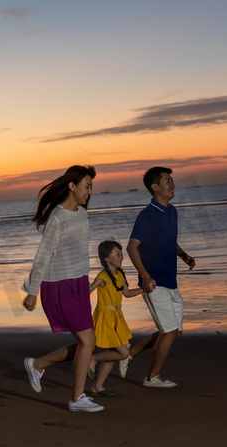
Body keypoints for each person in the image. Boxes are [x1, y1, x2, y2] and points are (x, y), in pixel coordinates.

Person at [21, 165, 103, 413]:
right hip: (59, 285)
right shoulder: (57, 217)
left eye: (91, 187)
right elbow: (43, 255)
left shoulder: (81, 214)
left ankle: (38, 364)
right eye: (86, 186)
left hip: (77, 283)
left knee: (85, 343)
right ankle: (77, 398)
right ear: (72, 185)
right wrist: (33, 290)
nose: (89, 191)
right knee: (88, 341)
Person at [126, 166, 196, 388]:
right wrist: (145, 276)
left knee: (175, 332)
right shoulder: (146, 216)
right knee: (168, 332)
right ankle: (151, 378)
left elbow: (168, 241)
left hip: (170, 279)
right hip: (154, 282)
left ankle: (131, 352)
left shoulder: (172, 211)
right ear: (155, 187)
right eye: (167, 181)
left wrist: (183, 254)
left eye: (172, 180)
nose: (172, 184)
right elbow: (131, 248)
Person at [86, 240, 159, 395]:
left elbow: (126, 293)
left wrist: (144, 289)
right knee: (124, 353)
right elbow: (86, 293)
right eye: (117, 254)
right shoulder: (102, 276)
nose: (121, 257)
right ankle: (93, 359)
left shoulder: (119, 274)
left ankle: (97, 387)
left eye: (121, 253)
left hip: (117, 318)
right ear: (106, 258)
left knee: (112, 355)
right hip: (105, 318)